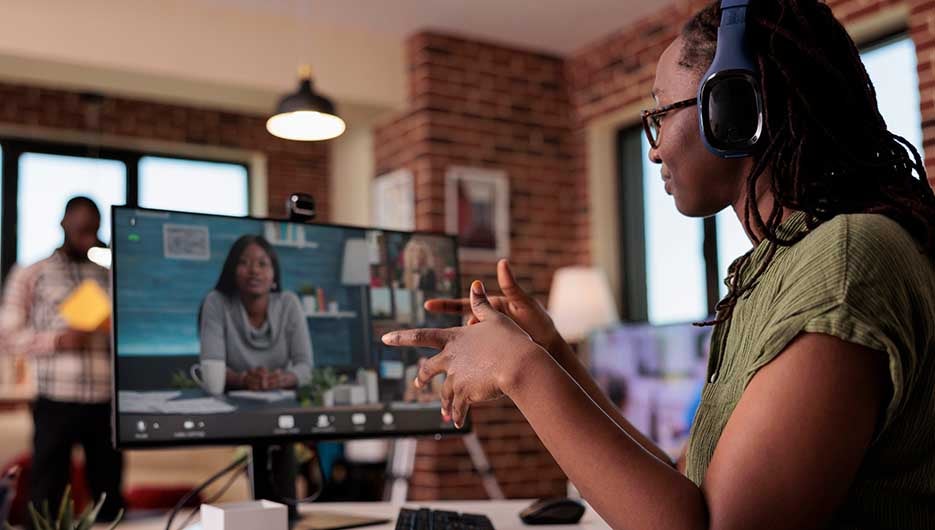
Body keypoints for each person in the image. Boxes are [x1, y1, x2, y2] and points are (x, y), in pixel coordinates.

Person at [382, 1, 935, 527]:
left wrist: (519, 369)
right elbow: (681, 490)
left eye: (661, 113)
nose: (652, 149)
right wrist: (549, 351)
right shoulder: (778, 267)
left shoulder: (842, 264)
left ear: (736, 109)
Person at [0, 197, 124, 521]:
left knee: (109, 494)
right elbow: (8, 335)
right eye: (82, 229)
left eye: (94, 231)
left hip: (105, 401)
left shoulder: (108, 275)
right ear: (64, 224)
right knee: (47, 491)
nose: (87, 238)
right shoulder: (31, 273)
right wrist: (58, 340)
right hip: (55, 401)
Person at [200, 235, 312, 391]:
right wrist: (243, 379)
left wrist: (282, 379)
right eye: (243, 263)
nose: (254, 270)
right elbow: (211, 364)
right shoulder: (216, 302)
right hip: (231, 401)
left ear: (274, 275)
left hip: (281, 399)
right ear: (232, 270)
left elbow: (305, 366)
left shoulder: (289, 303)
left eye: (263, 264)